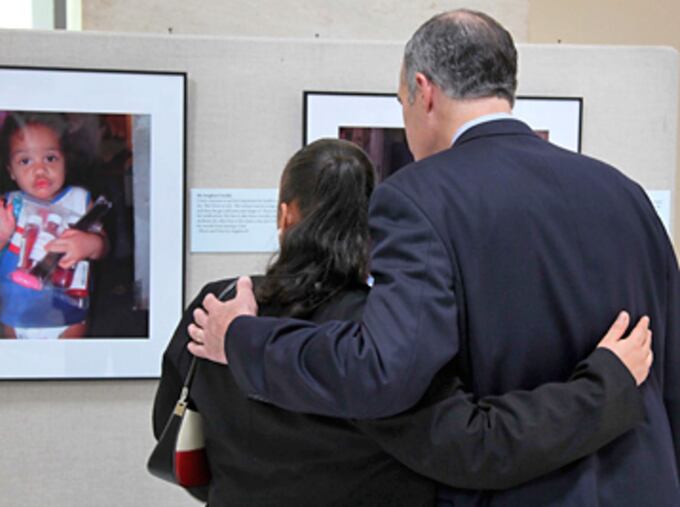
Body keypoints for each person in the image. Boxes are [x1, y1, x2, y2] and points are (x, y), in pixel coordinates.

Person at [188, 9, 680, 506]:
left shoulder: (417, 199)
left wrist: (241, 339)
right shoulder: (626, 194)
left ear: (423, 91)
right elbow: (672, 374)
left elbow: (383, 373)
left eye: (401, 102)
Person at [157, 138, 652, 506]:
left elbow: (176, 432)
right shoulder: (381, 331)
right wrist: (605, 386)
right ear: (371, 222)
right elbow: (475, 448)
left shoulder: (217, 307)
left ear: (285, 215)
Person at [0, 113, 107, 339]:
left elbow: (104, 245)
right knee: (19, 370)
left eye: (50, 158)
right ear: (10, 170)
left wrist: (91, 243)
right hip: (16, 318)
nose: (40, 170)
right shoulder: (9, 206)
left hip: (68, 317)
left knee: (65, 371)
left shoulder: (80, 200)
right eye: (25, 161)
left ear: (65, 161)